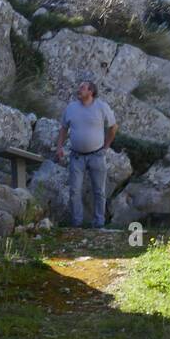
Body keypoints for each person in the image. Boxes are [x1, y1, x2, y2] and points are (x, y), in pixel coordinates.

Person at [54, 80, 117, 228]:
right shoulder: (71, 108)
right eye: (79, 87)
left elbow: (113, 127)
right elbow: (63, 129)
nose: (79, 89)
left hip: (97, 155)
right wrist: (59, 147)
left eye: (82, 87)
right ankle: (76, 223)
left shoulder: (102, 107)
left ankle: (99, 222)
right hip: (76, 156)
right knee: (74, 190)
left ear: (91, 92)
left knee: (99, 191)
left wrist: (106, 146)